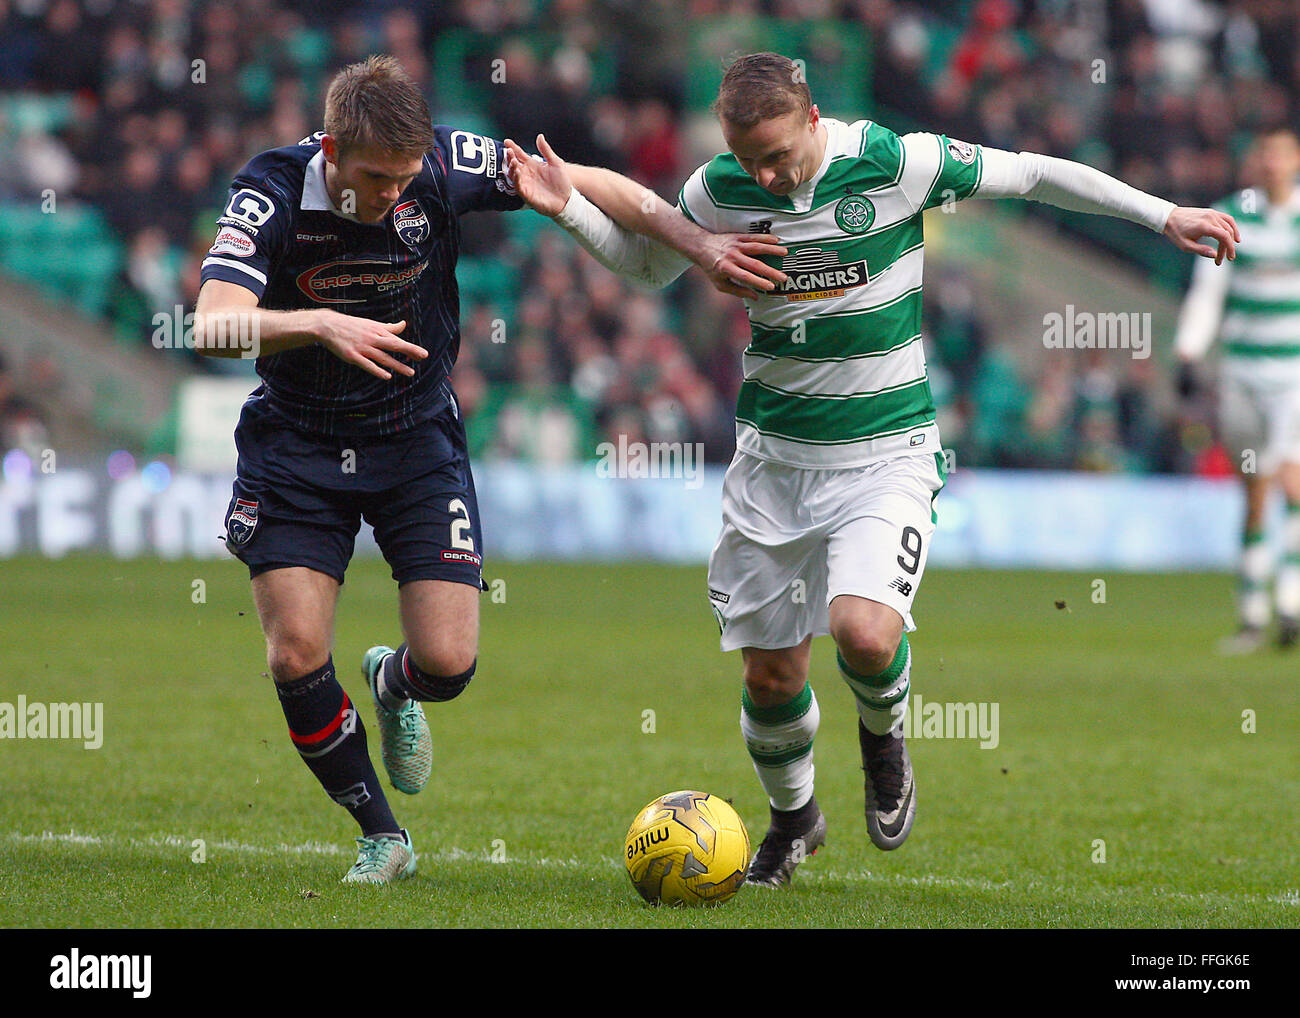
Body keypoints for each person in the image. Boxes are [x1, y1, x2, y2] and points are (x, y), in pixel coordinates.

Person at [506, 51, 1239, 887]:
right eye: (751, 162)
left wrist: (1160, 214)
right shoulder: (718, 190)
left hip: (885, 451)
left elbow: (1032, 173)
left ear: (813, 119)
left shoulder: (893, 162)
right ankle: (793, 822)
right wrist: (567, 209)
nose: (769, 177)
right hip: (773, 460)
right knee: (772, 674)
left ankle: (884, 742)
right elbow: (648, 264)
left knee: (861, 630)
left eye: (779, 156)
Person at [192, 54, 783, 883]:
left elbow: (586, 181)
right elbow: (211, 324)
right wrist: (322, 325)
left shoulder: (441, 162)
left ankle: (392, 682)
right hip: (296, 446)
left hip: (415, 441)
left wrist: (700, 243)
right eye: (376, 178)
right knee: (293, 654)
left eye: (406, 178)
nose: (395, 194)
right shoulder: (273, 191)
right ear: (330, 146)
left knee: (449, 664)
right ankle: (382, 834)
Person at [1175, 127, 1300, 653]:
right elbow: (1209, 291)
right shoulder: (1232, 216)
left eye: (1281, 154)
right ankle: (1253, 611)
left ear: (1295, 161)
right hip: (1241, 375)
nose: (1272, 163)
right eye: (1265, 154)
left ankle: (1291, 602)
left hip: (1294, 375)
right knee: (1253, 491)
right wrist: (1188, 349)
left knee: (1292, 481)